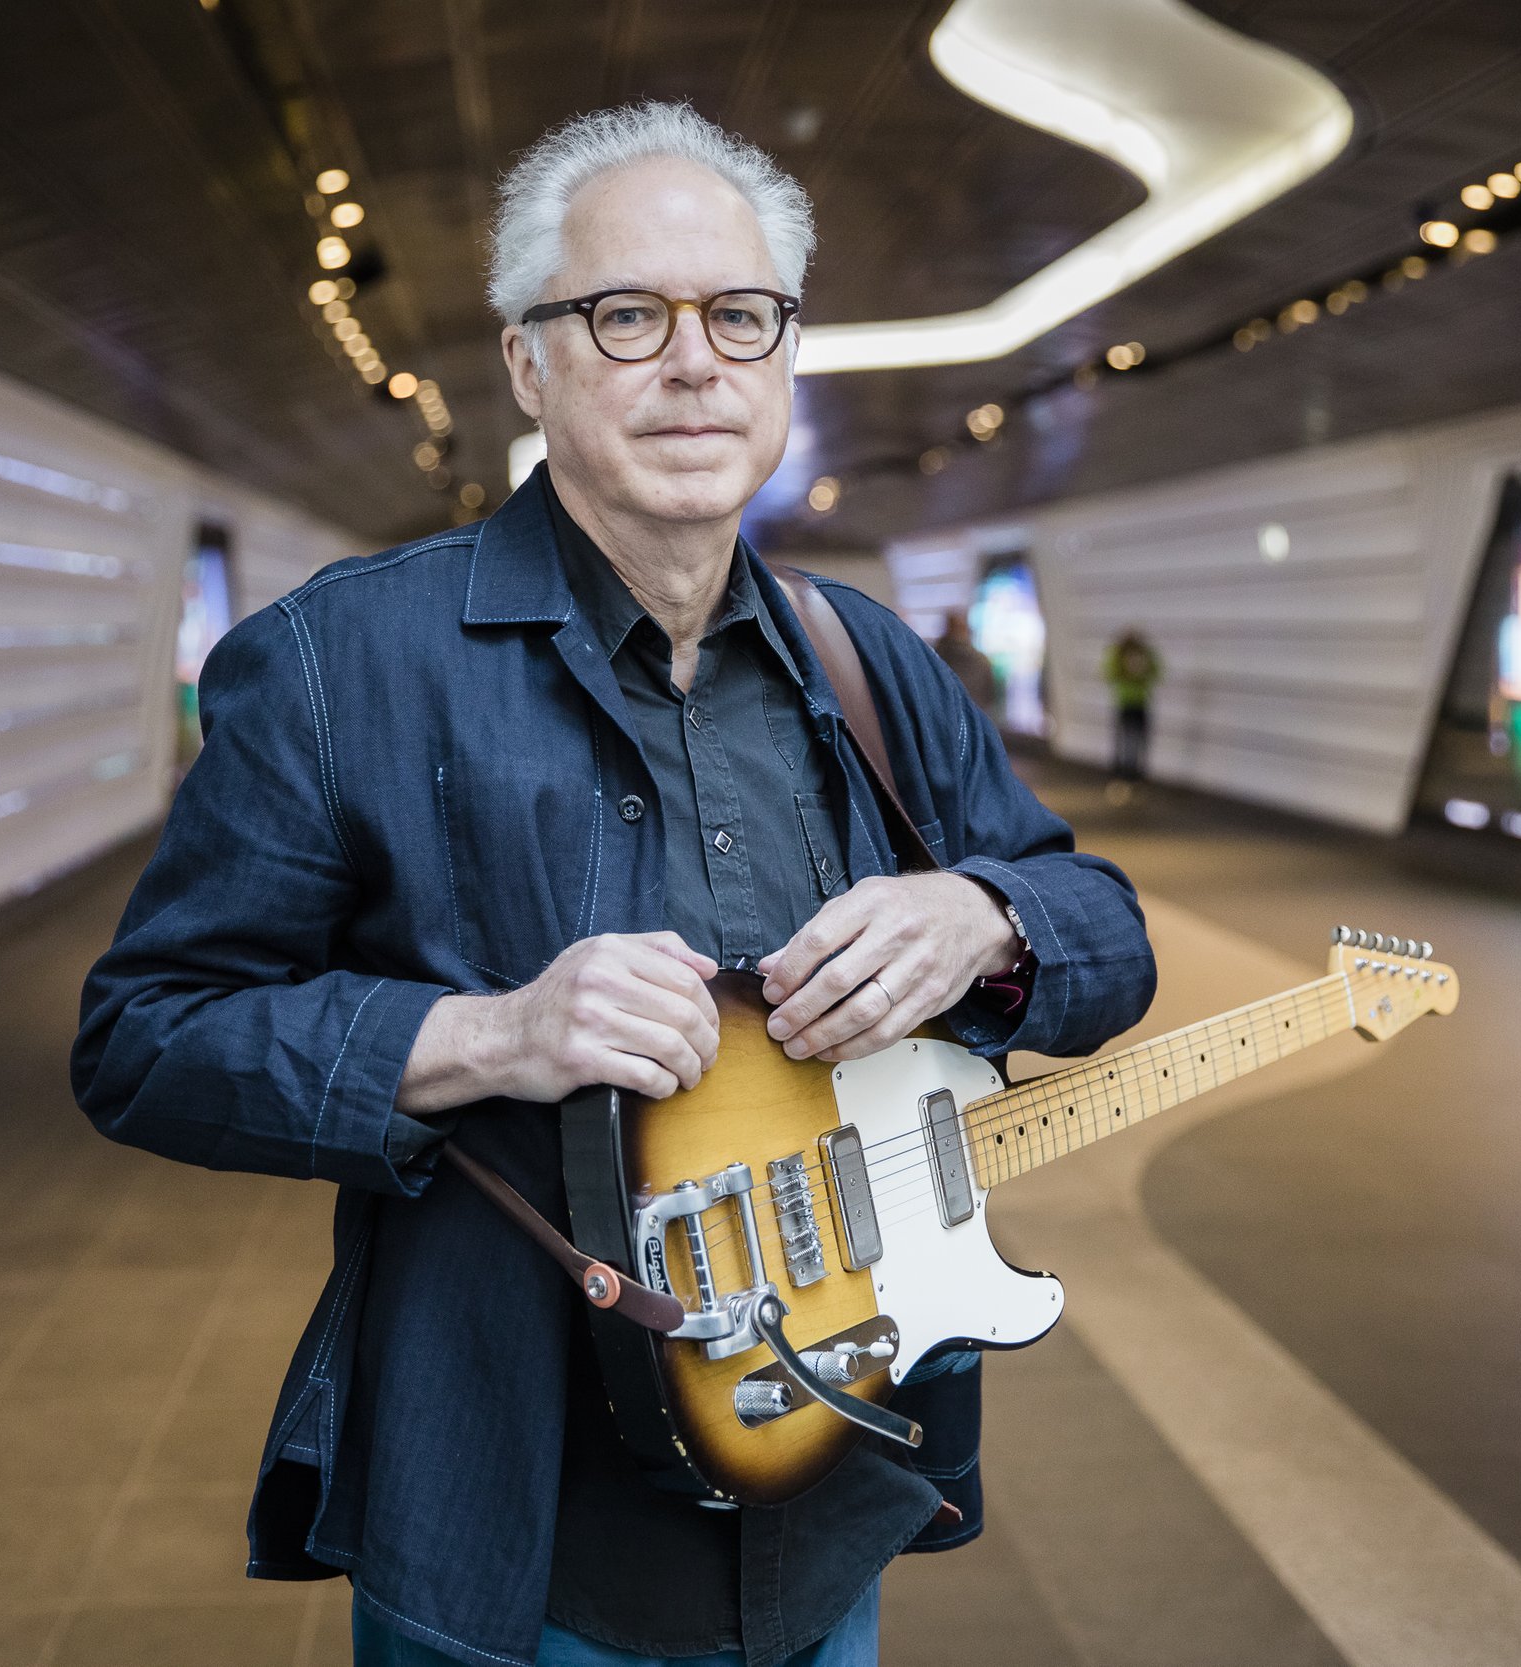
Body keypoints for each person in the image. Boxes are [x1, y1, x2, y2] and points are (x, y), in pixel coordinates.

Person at [72, 102, 1155, 1667]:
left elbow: (1106, 930)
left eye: (740, 315)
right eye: (629, 315)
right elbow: (146, 1036)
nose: (694, 362)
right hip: (512, 1540)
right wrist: (488, 1036)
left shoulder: (867, 666)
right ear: (530, 361)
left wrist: (987, 918)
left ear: (785, 356)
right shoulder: (339, 661)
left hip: (821, 1504)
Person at [1102, 630, 1160, 788]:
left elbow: (1157, 672)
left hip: (1139, 702)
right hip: (1126, 702)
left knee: (1136, 739)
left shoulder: (1144, 655)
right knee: (1126, 738)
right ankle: (1123, 771)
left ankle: (1133, 771)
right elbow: (1108, 673)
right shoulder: (1119, 655)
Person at [934, 612, 999, 717]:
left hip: (942, 721)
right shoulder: (982, 661)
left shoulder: (934, 658)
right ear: (967, 631)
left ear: (946, 629)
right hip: (975, 721)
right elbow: (990, 696)